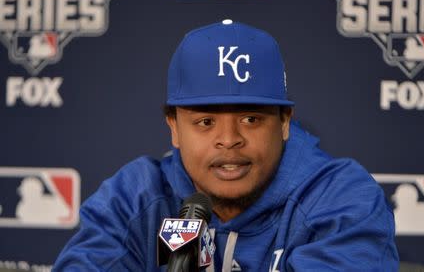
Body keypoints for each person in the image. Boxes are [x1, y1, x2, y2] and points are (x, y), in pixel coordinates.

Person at [53, 20, 399, 271]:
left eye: (251, 119)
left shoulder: (340, 199)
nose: (229, 139)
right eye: (205, 122)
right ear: (174, 128)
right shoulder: (136, 198)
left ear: (284, 123)